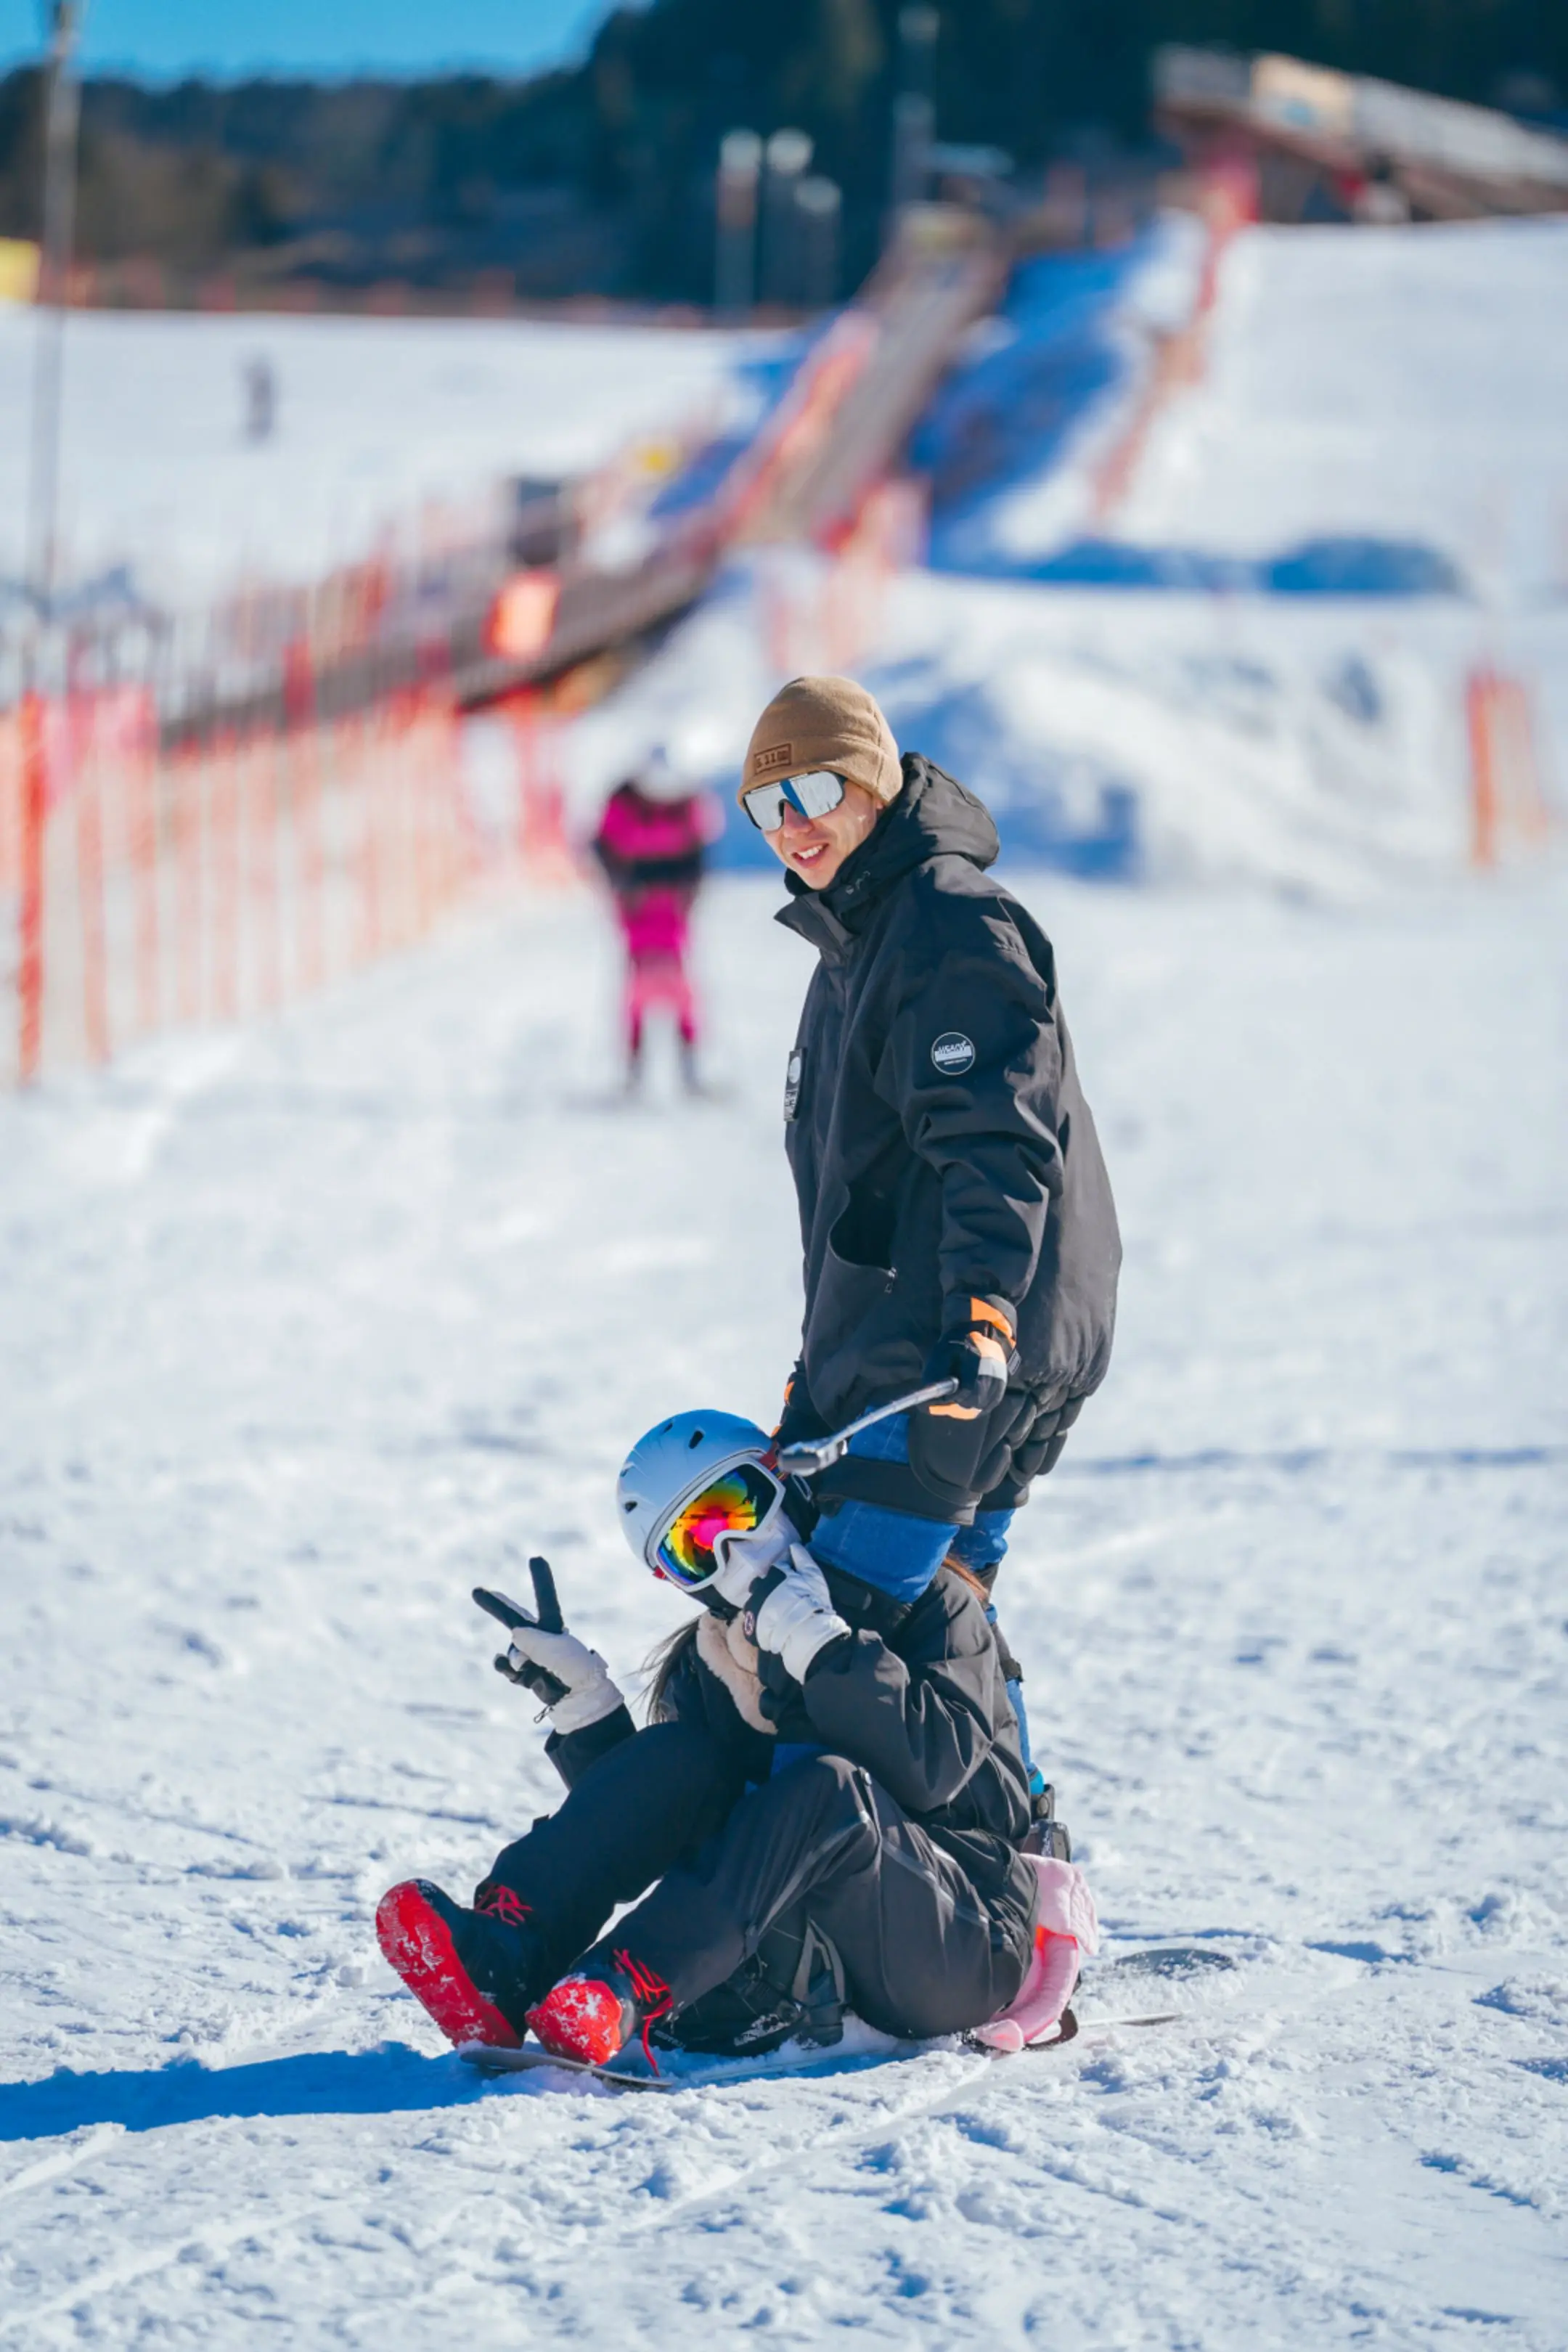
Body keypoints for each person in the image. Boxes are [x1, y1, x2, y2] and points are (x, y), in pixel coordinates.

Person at [376, 1409, 1096, 2070]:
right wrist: (587, 1711)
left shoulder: (927, 1603)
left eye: (735, 1508)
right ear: (675, 1579)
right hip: (811, 1950)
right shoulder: (714, 1659)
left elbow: (938, 1775)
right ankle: (505, 1955)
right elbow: (688, 1832)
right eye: (694, 1546)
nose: (732, 1548)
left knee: (829, 1791)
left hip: (966, 1940)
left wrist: (824, 1647)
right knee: (678, 1758)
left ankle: (625, 1986)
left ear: (783, 1482)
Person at [738, 676, 1120, 1818]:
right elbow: (861, 1203)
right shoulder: (855, 945)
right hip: (927, 1347)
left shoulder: (946, 921)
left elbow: (995, 1142)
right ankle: (1027, 1880)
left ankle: (824, 1929)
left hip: (955, 1356)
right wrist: (819, 1368)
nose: (793, 826)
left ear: (875, 781)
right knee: (944, 1634)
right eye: (766, 805)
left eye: (814, 789)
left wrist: (983, 1316)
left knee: (837, 1647)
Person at [590, 748, 720, 1094]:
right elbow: (601, 847)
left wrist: (691, 890)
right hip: (637, 910)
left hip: (672, 910)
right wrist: (622, 885)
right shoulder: (623, 804)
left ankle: (690, 1068)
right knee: (637, 988)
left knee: (681, 988)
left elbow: (699, 853)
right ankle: (634, 1070)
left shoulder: (689, 804)